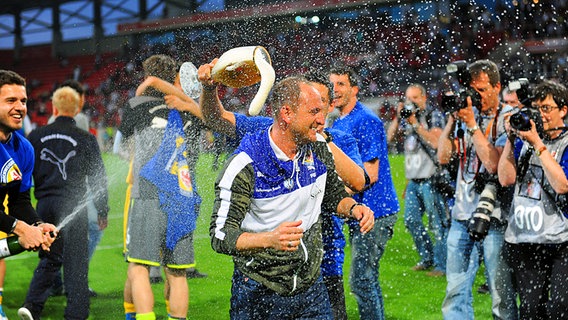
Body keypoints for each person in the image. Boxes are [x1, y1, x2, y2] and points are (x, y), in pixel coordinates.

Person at [197, 60, 365, 320]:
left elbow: (335, 195)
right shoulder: (245, 163)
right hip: (259, 291)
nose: (322, 121)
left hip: (312, 287)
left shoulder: (319, 147)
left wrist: (354, 208)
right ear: (286, 114)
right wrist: (269, 239)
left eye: (323, 110)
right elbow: (220, 236)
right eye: (313, 112)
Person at [120, 54, 200, 320]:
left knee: (138, 267)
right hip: (182, 197)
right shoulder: (188, 109)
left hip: (148, 193)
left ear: (147, 77)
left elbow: (125, 146)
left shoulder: (136, 104)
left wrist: (151, 84)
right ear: (174, 77)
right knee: (177, 273)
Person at [18, 85, 109, 320]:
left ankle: (32, 306)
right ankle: (76, 314)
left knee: (49, 256)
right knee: (76, 263)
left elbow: (25, 173)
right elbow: (98, 177)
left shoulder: (36, 136)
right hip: (73, 206)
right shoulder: (85, 138)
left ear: (54, 107)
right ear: (78, 107)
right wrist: (102, 210)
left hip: (45, 204)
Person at [438, 59, 518, 319]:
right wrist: (453, 121)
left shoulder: (508, 118)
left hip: (496, 218)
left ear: (497, 87)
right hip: (462, 217)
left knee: (500, 296)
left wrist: (473, 125)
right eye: (473, 89)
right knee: (455, 293)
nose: (476, 95)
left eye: (482, 89)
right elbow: (442, 157)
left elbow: (494, 165)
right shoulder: (464, 114)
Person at [329, 65, 399, 320]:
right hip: (363, 211)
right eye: (332, 84)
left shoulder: (365, 120)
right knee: (368, 278)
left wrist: (335, 195)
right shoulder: (342, 120)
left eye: (341, 84)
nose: (334, 90)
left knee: (361, 280)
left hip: (375, 211)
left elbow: (371, 174)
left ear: (355, 89)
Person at [498, 79, 568, 319]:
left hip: (560, 240)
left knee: (559, 308)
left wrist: (538, 143)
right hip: (526, 239)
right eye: (538, 109)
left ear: (564, 110)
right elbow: (505, 179)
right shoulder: (524, 141)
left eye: (547, 108)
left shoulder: (565, 142)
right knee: (529, 310)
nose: (541, 115)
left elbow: (562, 185)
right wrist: (510, 139)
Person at [0, 70, 57, 319]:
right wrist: (20, 229)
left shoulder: (23, 148)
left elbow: (19, 201)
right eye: (10, 100)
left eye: (23, 101)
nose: (20, 107)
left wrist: (37, 224)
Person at [386, 83, 448, 277]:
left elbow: (437, 143)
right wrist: (398, 117)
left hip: (431, 178)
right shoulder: (406, 119)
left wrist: (415, 124)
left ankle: (441, 265)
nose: (410, 102)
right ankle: (426, 257)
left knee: (437, 223)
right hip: (412, 180)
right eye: (407, 98)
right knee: (411, 221)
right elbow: (388, 139)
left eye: (414, 98)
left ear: (424, 98)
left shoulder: (433, 116)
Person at [46, 79, 100, 297]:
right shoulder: (79, 119)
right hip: (77, 189)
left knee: (58, 235)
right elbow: (84, 157)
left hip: (55, 187)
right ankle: (75, 280)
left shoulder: (53, 119)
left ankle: (56, 281)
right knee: (91, 230)